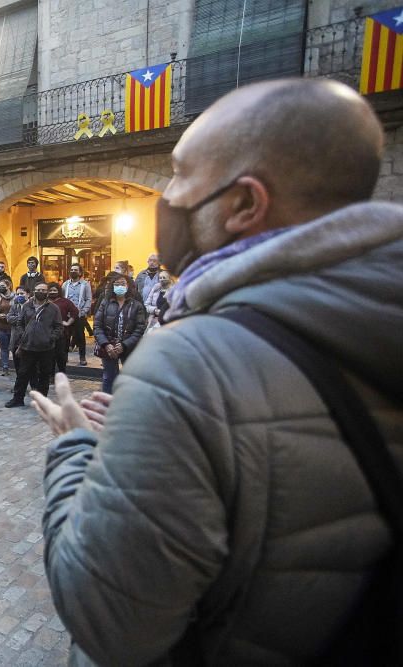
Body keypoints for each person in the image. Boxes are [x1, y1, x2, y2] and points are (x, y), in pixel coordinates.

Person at [34, 78, 403, 665]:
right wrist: (154, 442)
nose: (168, 196)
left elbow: (110, 622)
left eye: (180, 174)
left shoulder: (189, 361)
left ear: (244, 205)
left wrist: (77, 448)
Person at [4, 281, 61, 408]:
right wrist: (23, 335)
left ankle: (42, 402)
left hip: (46, 348)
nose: (40, 292)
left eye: (43, 290)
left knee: (44, 375)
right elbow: (19, 322)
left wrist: (50, 338)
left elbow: (58, 327)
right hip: (28, 346)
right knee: (23, 373)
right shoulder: (26, 306)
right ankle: (18, 398)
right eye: (38, 289)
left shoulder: (53, 308)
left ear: (47, 292)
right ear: (34, 291)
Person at [92, 274, 146, 393]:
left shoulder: (137, 305)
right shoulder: (105, 303)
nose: (120, 286)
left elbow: (140, 329)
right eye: (116, 284)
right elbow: (97, 326)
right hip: (109, 347)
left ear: (128, 286)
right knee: (109, 378)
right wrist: (106, 344)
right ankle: (107, 405)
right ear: (112, 286)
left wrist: (124, 345)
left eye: (123, 284)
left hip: (129, 347)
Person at [61, 263, 92, 366]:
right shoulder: (65, 284)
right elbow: (61, 298)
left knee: (80, 336)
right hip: (67, 315)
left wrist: (84, 311)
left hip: (79, 315)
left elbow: (88, 299)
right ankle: (64, 357)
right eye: (71, 269)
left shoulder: (85, 284)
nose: (73, 271)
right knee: (65, 336)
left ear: (80, 272)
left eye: (75, 270)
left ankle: (82, 357)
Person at [46, 281, 79, 376]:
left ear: (59, 291)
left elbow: (75, 312)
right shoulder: (44, 301)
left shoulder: (65, 302)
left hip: (62, 334)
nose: (52, 292)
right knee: (49, 357)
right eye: (50, 290)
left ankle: (62, 376)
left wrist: (68, 322)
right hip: (47, 334)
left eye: (54, 290)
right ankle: (50, 376)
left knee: (61, 357)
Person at [0, 278, 15, 376]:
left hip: (13, 327)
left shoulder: (16, 297)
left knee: (15, 348)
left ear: (9, 286)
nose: (1, 288)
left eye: (3, 286)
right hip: (1, 326)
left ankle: (17, 366)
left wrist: (10, 317)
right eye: (0, 286)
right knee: (4, 348)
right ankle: (5, 367)